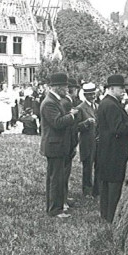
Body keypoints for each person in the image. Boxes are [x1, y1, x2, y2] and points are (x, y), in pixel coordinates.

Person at [96, 74, 128, 223]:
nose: (123, 91)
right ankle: (112, 216)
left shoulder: (106, 103)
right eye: (121, 88)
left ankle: (106, 214)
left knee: (107, 184)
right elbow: (117, 129)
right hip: (114, 151)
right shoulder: (111, 105)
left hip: (107, 150)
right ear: (111, 88)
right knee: (113, 185)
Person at [40, 72, 79, 218]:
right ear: (56, 87)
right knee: (56, 178)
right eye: (64, 86)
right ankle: (55, 210)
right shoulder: (49, 103)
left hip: (56, 145)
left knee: (55, 177)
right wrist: (72, 116)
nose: (66, 89)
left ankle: (56, 206)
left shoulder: (53, 101)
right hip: (54, 145)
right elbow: (57, 123)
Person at [61, 78, 82, 208]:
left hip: (70, 141)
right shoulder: (66, 103)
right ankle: (61, 200)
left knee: (66, 172)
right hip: (65, 142)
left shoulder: (69, 102)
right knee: (63, 172)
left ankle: (64, 197)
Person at [76, 82, 98, 197]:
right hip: (87, 142)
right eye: (90, 94)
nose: (93, 96)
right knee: (87, 167)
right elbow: (76, 127)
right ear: (85, 95)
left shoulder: (97, 106)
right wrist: (86, 123)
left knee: (98, 165)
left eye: (94, 94)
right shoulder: (80, 108)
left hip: (97, 141)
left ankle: (97, 190)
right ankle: (87, 190)